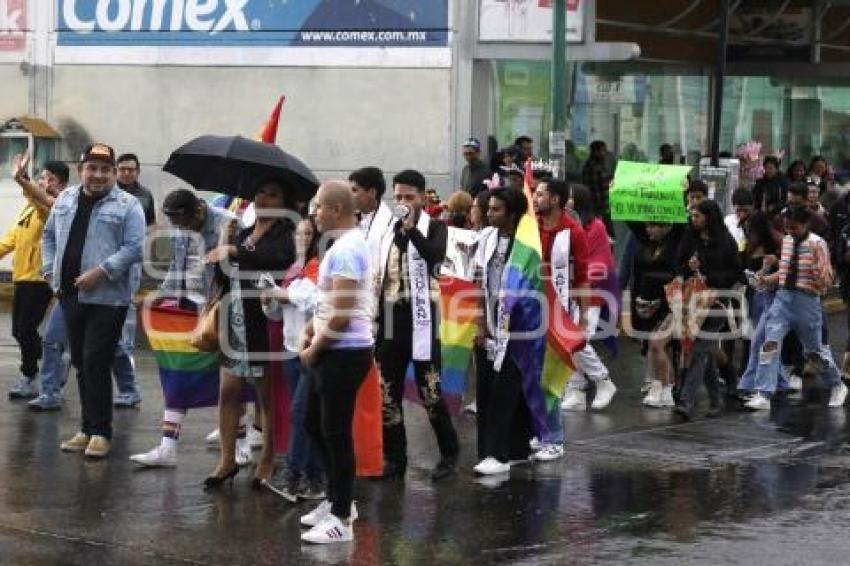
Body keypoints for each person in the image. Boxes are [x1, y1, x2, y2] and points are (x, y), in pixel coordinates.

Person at [130, 189, 251, 468]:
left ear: (198, 211)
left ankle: (241, 445)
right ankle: (167, 446)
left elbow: (240, 269)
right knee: (178, 376)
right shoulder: (180, 226)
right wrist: (162, 296)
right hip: (190, 310)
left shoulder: (230, 224)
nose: (179, 229)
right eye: (174, 224)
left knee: (231, 382)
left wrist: (223, 243)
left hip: (225, 311)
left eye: (183, 222)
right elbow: (176, 266)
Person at [43, 143, 145, 458]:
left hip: (108, 298)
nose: (98, 175)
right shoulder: (66, 198)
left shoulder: (129, 205)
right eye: (92, 168)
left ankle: (101, 431)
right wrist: (50, 271)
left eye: (105, 169)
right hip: (70, 293)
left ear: (114, 173)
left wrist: (101, 271)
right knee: (81, 363)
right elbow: (49, 236)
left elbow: (135, 247)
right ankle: (86, 428)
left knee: (96, 361)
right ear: (81, 170)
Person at [203, 180, 295, 489]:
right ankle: (227, 459)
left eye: (273, 193)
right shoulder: (241, 232)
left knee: (265, 396)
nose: (264, 198)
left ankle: (267, 458)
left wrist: (235, 250)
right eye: (260, 192)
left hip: (263, 320)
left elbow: (275, 259)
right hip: (234, 316)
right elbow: (223, 275)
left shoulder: (286, 235)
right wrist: (225, 242)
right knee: (228, 390)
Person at [298, 181, 375, 544]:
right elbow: (330, 302)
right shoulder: (342, 246)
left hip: (344, 351)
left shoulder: (346, 250)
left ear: (336, 210)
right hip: (333, 347)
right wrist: (311, 328)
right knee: (315, 423)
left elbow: (342, 314)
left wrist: (315, 348)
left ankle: (342, 518)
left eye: (318, 207)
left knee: (335, 432)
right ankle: (336, 499)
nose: (314, 214)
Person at [375, 169, 460, 481]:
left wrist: (412, 230)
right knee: (388, 392)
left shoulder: (436, 228)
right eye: (398, 197)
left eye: (409, 197)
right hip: (391, 319)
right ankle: (395, 457)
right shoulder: (387, 230)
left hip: (422, 318)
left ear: (423, 198)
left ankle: (449, 452)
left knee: (431, 391)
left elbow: (435, 259)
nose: (403, 202)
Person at [746, 205, 847, 410]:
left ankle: (837, 385)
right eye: (787, 228)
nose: (790, 231)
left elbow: (826, 279)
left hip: (807, 301)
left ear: (806, 224)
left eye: (795, 227)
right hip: (783, 299)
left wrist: (817, 271)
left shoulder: (818, 244)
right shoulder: (787, 242)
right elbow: (784, 272)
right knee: (770, 342)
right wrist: (767, 280)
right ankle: (764, 393)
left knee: (814, 351)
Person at [472, 187, 536, 475]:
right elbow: (477, 280)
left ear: (512, 214)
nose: (489, 213)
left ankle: (502, 453)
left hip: (519, 326)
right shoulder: (485, 237)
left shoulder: (528, 245)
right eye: (489, 208)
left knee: (509, 389)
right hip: (489, 317)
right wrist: (480, 321)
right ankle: (496, 449)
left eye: (496, 209)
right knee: (487, 388)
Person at [262, 216, 325, 501]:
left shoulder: (318, 266)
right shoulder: (293, 268)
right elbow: (280, 312)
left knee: (301, 413)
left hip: (312, 347)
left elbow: (313, 300)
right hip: (291, 346)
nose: (303, 238)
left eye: (309, 233)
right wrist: (269, 302)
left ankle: (293, 474)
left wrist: (282, 293)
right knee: (305, 416)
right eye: (299, 233)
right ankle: (314, 478)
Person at [4, 155, 69, 401]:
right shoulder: (29, 208)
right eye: (42, 177)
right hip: (22, 277)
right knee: (20, 331)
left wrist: (23, 182)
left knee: (25, 329)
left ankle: (30, 374)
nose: (43, 182)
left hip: (40, 279)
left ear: (61, 185)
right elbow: (12, 238)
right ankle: (51, 363)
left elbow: (42, 204)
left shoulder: (57, 206)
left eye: (48, 178)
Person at [673, 199, 743, 420]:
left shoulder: (725, 240)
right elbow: (678, 263)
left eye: (698, 216)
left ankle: (686, 400)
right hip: (693, 300)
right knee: (704, 350)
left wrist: (711, 276)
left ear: (709, 217)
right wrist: (689, 266)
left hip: (718, 301)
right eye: (692, 216)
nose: (693, 220)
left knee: (700, 349)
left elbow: (736, 273)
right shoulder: (689, 236)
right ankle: (715, 399)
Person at [555, 183, 618, 413]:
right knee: (569, 342)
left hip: (589, 294)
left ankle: (603, 380)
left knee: (578, 340)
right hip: (566, 292)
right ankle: (576, 390)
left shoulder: (596, 226)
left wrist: (580, 279)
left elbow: (601, 262)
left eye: (570, 197)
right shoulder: (565, 226)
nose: (567, 200)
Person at [111, 153, 156, 408]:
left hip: (132, 258)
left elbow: (152, 224)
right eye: (123, 169)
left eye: (131, 170)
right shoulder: (107, 192)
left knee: (126, 308)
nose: (126, 173)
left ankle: (128, 381)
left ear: (137, 172)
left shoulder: (145, 195)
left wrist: (139, 234)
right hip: (106, 255)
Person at [626, 220, 683, 407]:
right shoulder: (646, 244)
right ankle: (660, 385)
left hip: (670, 302)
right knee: (654, 345)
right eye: (647, 225)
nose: (648, 229)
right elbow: (633, 225)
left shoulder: (675, 244)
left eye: (654, 225)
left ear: (666, 226)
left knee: (659, 343)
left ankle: (665, 387)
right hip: (646, 302)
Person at [582, 140, 614, 235]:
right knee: (606, 233)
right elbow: (595, 190)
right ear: (596, 152)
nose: (605, 154)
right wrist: (601, 209)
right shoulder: (593, 167)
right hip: (598, 208)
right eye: (603, 151)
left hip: (602, 207)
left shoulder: (600, 165)